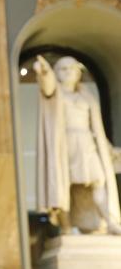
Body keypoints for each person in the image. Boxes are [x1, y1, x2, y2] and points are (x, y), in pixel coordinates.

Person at [33, 55, 121, 234]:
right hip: (64, 144)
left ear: (79, 73)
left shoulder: (87, 97)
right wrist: (44, 72)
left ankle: (109, 220)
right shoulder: (56, 93)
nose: (68, 72)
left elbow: (96, 127)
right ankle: (65, 227)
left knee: (99, 180)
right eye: (63, 69)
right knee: (64, 184)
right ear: (57, 73)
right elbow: (47, 85)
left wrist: (109, 149)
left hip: (87, 142)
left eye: (72, 69)